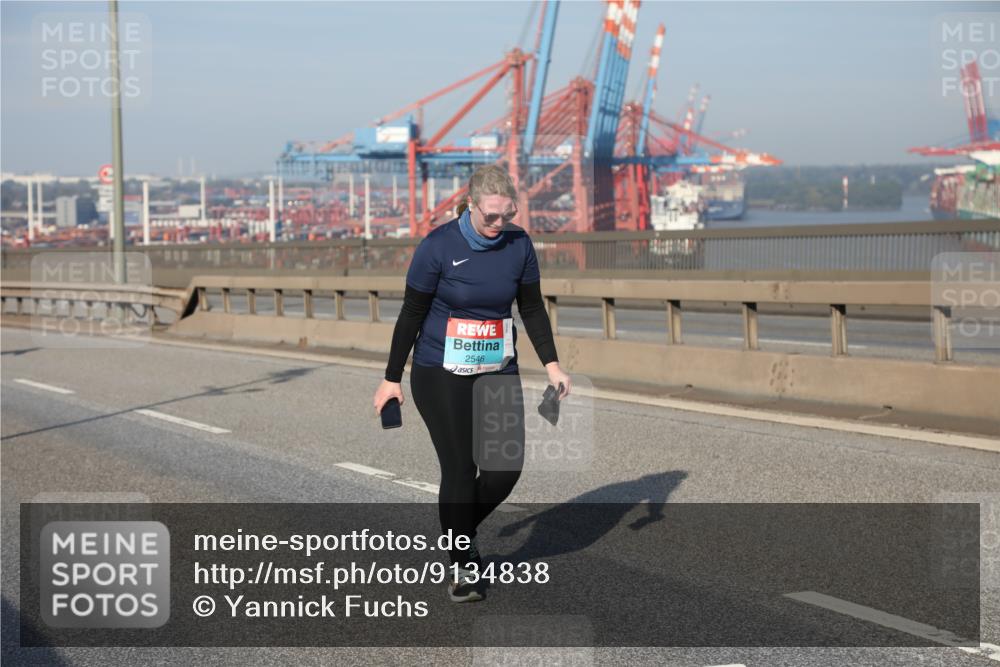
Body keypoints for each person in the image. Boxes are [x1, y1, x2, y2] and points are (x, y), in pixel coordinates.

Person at [372, 164, 571, 602]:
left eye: (509, 214)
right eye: (491, 217)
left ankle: (457, 530)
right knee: (461, 469)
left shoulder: (519, 244)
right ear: (470, 206)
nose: (500, 224)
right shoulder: (438, 246)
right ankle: (463, 565)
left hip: (496, 368)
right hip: (440, 371)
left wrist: (553, 365)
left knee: (504, 469)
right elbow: (411, 315)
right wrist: (391, 378)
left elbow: (532, 309)